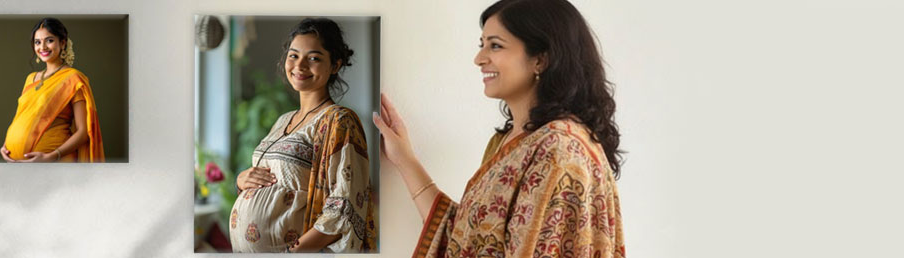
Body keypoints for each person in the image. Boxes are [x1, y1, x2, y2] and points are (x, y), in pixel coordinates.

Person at [372, 0, 626, 256]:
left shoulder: (560, 150)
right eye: (482, 45)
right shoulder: (510, 142)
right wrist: (405, 158)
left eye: (495, 45)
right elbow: (462, 239)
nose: (479, 59)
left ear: (541, 59)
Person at [228, 17, 377, 253]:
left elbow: (344, 206)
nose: (299, 66)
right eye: (294, 55)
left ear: (335, 65)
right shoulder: (283, 120)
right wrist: (241, 181)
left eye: (314, 58)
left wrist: (295, 253)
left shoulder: (339, 120)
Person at [1, 18, 105, 163]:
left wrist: (51, 156)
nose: (42, 47)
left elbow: (83, 132)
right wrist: (6, 145)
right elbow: (22, 118)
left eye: (49, 40)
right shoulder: (31, 78)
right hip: (16, 164)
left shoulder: (73, 78)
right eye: (37, 42)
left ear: (62, 43)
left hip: (55, 162)